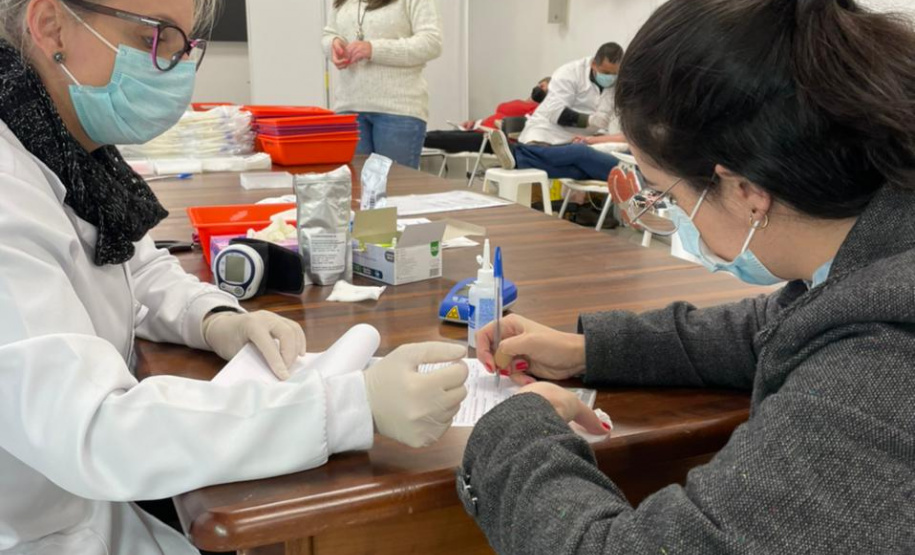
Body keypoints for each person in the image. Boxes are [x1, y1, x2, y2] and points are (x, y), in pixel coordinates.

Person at [0, 1, 467, 553]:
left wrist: (217, 317)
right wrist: (351, 407)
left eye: (184, 47)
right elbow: (95, 430)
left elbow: (136, 268)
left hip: (92, 508)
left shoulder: (60, 141)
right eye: (156, 39)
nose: (172, 66)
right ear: (50, 23)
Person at [461, 0, 915, 553]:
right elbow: (772, 326)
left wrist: (517, 430)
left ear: (747, 192)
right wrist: (586, 349)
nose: (664, 211)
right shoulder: (876, 244)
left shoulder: (883, 366)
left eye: (662, 193)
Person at [322, 0, 443, 169]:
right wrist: (333, 44)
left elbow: (432, 43)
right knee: (355, 191)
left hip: (398, 110)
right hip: (348, 107)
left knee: (396, 189)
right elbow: (329, 33)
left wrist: (374, 49)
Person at [423, 77, 551, 155]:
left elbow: (521, 124)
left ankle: (412, 139)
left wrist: (540, 101)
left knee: (439, 138)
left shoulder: (540, 110)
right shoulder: (523, 103)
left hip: (493, 140)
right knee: (438, 134)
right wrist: (476, 122)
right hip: (480, 130)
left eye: (543, 87)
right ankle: (414, 138)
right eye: (539, 85)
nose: (539, 88)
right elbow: (497, 116)